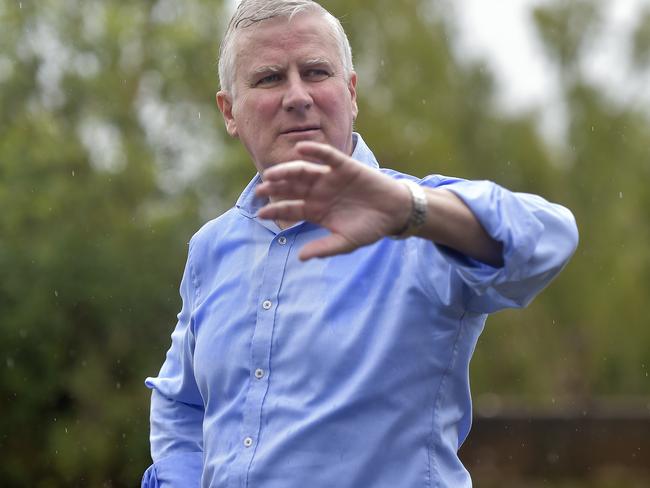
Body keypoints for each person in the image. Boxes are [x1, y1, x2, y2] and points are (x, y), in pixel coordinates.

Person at [141, 1, 578, 487]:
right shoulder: (210, 248)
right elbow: (181, 403)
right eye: (269, 78)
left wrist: (410, 210)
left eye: (316, 71)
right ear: (229, 111)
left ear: (351, 93)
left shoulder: (420, 223)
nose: (297, 95)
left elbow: (549, 240)